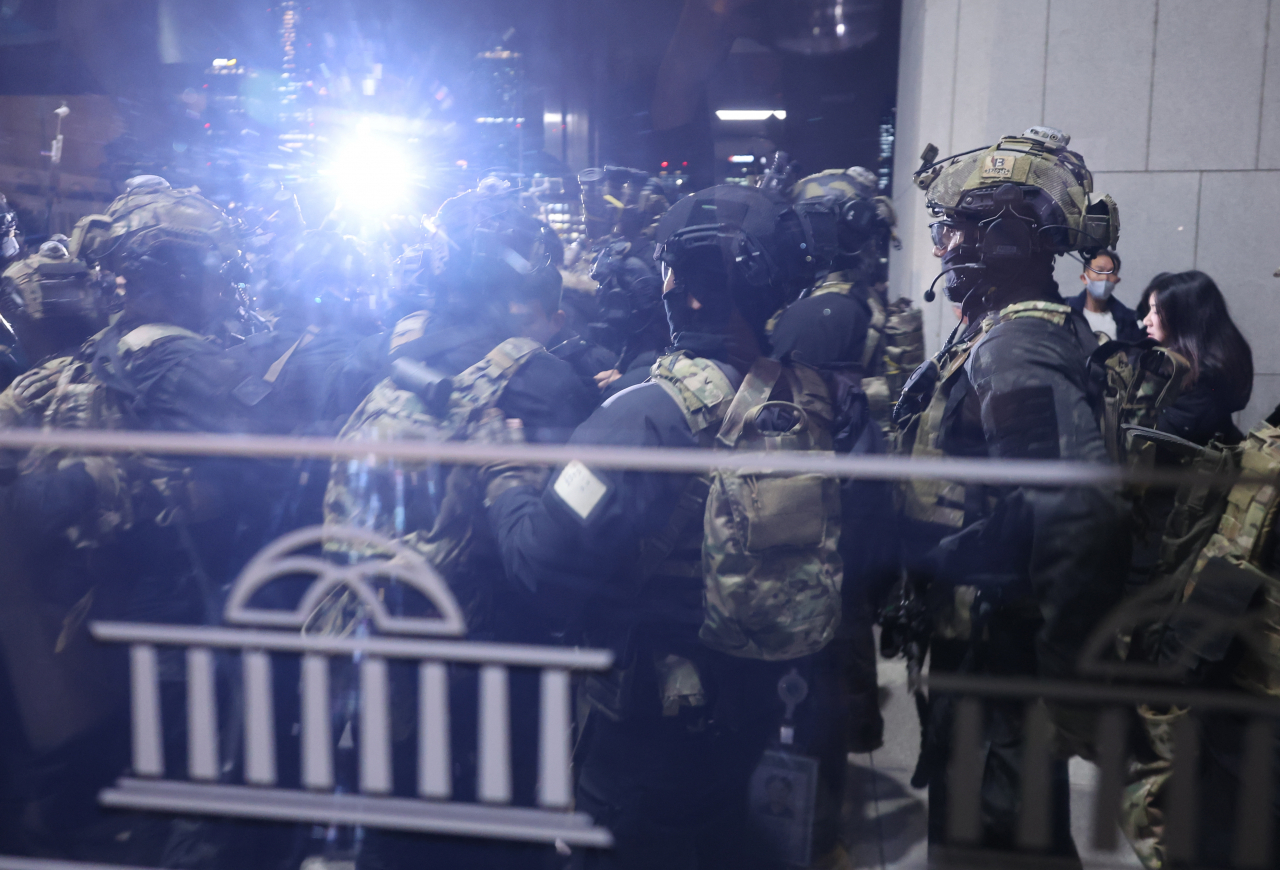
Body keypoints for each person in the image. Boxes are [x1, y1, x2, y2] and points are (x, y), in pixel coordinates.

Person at [485, 183, 838, 869]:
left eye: (672, 268)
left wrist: (504, 478)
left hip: (645, 744)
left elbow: (541, 572)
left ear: (692, 290)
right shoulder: (818, 403)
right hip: (762, 719)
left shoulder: (643, 415)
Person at [896, 126, 1130, 861]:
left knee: (993, 843)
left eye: (968, 225)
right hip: (988, 650)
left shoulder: (1015, 346)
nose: (949, 243)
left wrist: (1065, 685)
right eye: (948, 226)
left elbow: (1074, 512)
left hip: (1000, 658)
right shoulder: (1001, 333)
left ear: (1020, 241)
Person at [1140, 270, 1253, 446]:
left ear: (1183, 317)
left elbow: (1155, 443)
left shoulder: (1201, 382)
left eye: (1155, 312)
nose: (1146, 320)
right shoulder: (1200, 366)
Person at [1066, 248, 1143, 342]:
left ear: (1117, 280)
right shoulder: (1065, 310)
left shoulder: (1128, 320)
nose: (1105, 277)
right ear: (1084, 278)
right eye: (1099, 271)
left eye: (1111, 273)